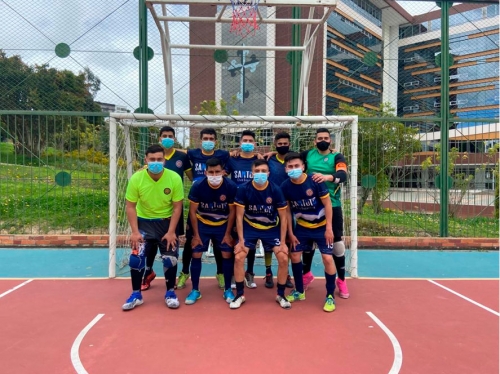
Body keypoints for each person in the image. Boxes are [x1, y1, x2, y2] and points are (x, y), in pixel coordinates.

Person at [122, 144, 184, 311]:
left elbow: (178, 207)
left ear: (164, 160)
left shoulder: (174, 178)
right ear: (146, 160)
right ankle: (136, 294)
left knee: (170, 259)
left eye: (159, 159)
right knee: (136, 258)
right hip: (143, 223)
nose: (156, 162)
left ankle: (170, 293)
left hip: (166, 223)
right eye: (152, 160)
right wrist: (134, 232)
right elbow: (130, 206)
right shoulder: (137, 178)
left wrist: (172, 231)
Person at [281, 152, 338, 312]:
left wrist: (329, 228)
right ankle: (299, 291)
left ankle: (330, 295)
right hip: (302, 228)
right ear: (286, 169)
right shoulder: (285, 186)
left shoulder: (314, 180)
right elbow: (287, 212)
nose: (294, 169)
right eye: (290, 167)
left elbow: (327, 204)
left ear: (303, 167)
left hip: (321, 228)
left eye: (296, 166)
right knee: (294, 255)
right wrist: (291, 233)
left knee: (327, 258)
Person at [230, 159, 290, 310]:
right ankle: (240, 295)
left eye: (264, 171)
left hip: (271, 229)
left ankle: (281, 295)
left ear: (269, 173)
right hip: (249, 228)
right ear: (252, 173)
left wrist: (283, 242)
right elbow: (238, 217)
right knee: (238, 257)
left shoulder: (276, 190)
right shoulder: (243, 189)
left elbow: (283, 218)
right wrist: (241, 241)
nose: (260, 174)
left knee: (283, 257)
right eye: (257, 171)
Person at [141, 126, 193, 291]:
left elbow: (193, 178)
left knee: (171, 243)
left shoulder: (181, 157)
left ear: (174, 138)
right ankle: (148, 272)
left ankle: (171, 279)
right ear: (159, 138)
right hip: (152, 210)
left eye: (170, 136)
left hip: (173, 210)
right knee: (151, 243)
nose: (167, 138)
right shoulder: (151, 160)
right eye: (164, 136)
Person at [177, 128, 230, 290]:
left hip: (217, 200)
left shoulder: (223, 155)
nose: (208, 140)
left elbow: (230, 163)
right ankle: (185, 272)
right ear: (200, 140)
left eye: (211, 138)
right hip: (198, 199)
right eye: (205, 138)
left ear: (216, 141)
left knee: (218, 242)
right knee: (191, 241)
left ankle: (221, 273)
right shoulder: (193, 153)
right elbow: (180, 152)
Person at [301, 128, 349, 299]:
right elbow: (289, 160)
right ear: (315, 141)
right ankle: (306, 275)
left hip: (332, 204)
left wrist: (327, 177)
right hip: (309, 205)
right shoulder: (307, 154)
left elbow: (343, 175)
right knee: (307, 242)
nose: (323, 140)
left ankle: (341, 280)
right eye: (319, 138)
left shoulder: (337, 157)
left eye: (326, 138)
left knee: (336, 243)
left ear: (330, 141)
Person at [185, 157, 238, 305]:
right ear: (205, 172)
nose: (214, 175)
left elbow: (233, 212)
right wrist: (195, 235)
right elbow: (192, 212)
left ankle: (228, 289)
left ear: (223, 172)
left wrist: (228, 234)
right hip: (203, 224)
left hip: (223, 224)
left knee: (227, 253)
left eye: (217, 172)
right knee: (196, 252)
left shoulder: (230, 186)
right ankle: (195, 290)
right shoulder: (198, 186)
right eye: (211, 172)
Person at [225, 130, 260, 289]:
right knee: (236, 240)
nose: (247, 142)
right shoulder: (232, 160)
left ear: (255, 144)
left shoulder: (259, 161)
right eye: (244, 140)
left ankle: (250, 272)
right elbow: (222, 175)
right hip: (236, 204)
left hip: (254, 205)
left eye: (250, 140)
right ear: (240, 143)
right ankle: (234, 273)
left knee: (251, 240)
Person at [265, 132, 294, 289]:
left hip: (290, 205)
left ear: (289, 144)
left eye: (286, 143)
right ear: (275, 144)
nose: (283, 145)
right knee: (269, 240)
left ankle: (286, 272)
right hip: (271, 204)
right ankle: (268, 271)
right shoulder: (269, 160)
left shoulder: (294, 160)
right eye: (280, 143)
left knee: (288, 239)